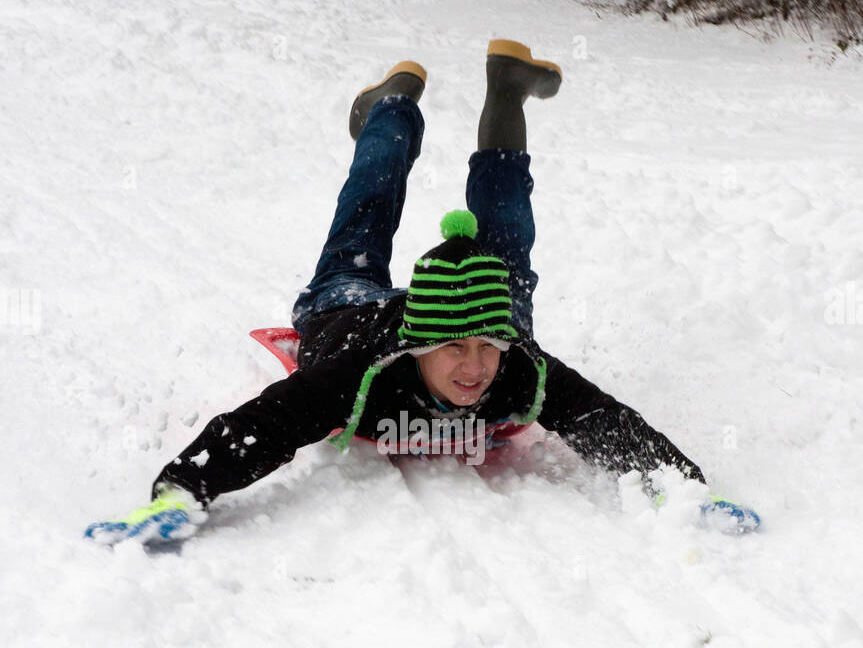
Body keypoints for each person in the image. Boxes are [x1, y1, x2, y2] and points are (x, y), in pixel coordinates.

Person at [85, 39, 758, 546]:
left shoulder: (514, 365)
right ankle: (392, 105)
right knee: (367, 207)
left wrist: (684, 489)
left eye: (486, 348)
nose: (475, 367)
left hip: (463, 297)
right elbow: (266, 427)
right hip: (348, 313)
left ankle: (507, 90)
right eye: (454, 349)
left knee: (505, 238)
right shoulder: (361, 376)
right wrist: (180, 490)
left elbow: (604, 421)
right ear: (416, 347)